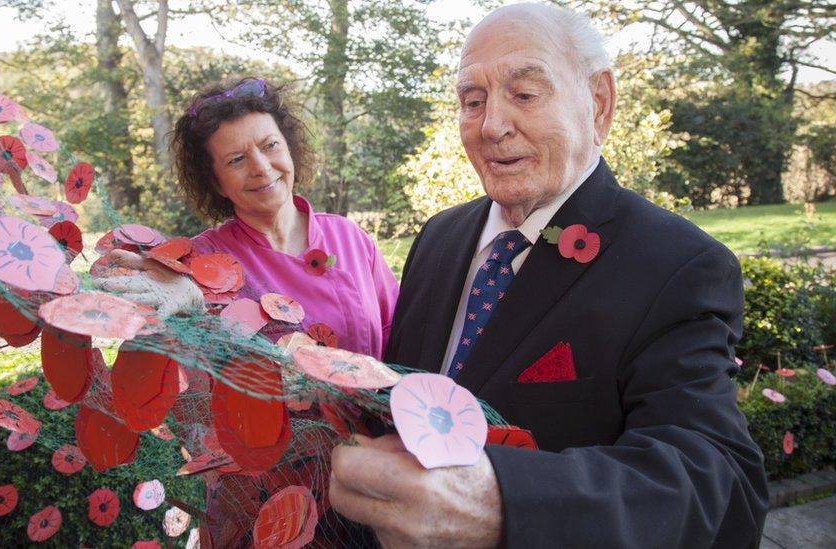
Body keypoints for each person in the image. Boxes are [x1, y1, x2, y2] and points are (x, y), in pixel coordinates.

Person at [328, 3, 769, 548]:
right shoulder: (439, 238)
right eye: (473, 101)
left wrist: (507, 506)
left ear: (599, 102)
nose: (492, 126)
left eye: (525, 94)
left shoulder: (678, 265)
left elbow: (719, 483)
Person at [100, 77, 398, 358]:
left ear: (289, 149)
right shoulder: (200, 261)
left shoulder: (349, 236)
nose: (261, 167)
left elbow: (400, 333)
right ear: (216, 183)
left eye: (270, 145)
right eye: (236, 160)